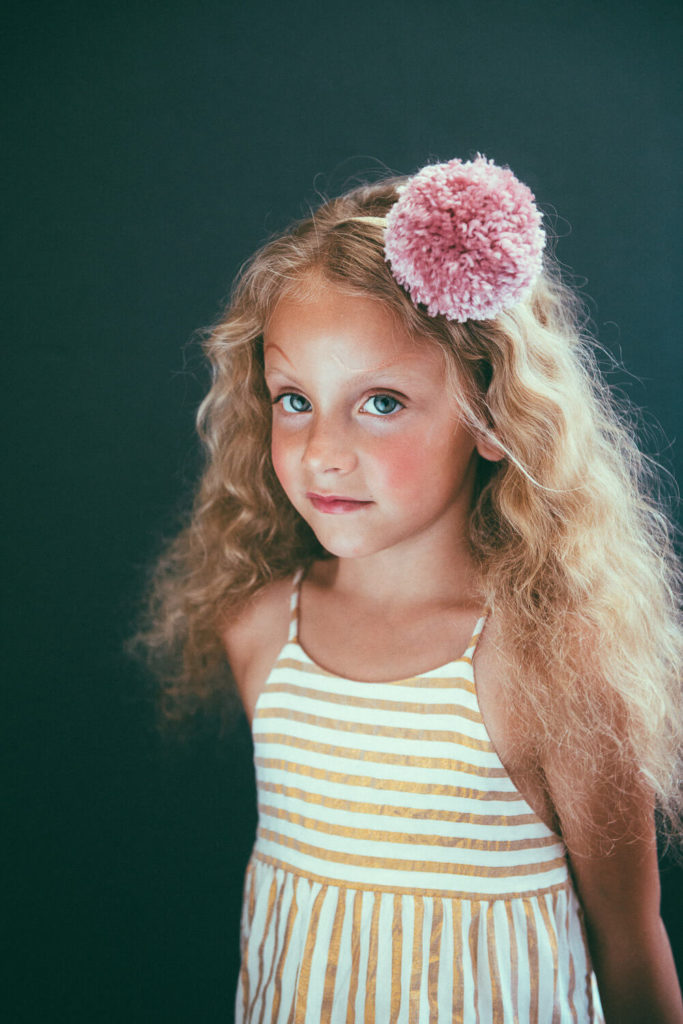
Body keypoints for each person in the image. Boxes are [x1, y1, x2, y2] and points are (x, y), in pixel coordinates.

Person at [136, 156, 683, 1022]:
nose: (322, 451)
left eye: (381, 402)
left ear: (494, 414)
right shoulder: (259, 633)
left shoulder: (553, 667)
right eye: (293, 399)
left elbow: (628, 942)